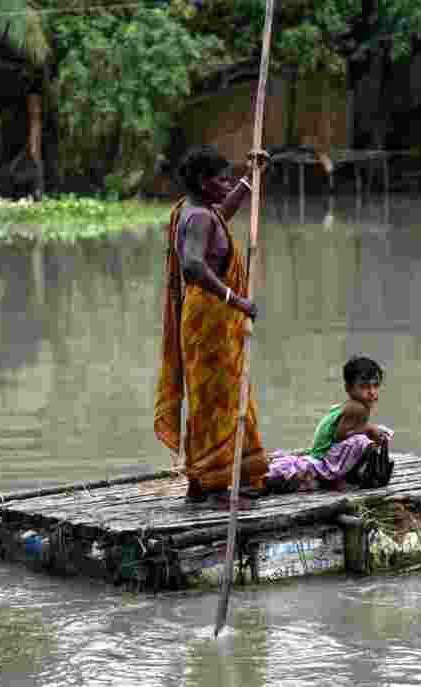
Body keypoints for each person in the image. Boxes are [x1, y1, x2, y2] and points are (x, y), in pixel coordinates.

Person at [154, 145, 269, 505]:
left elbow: (222, 216)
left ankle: (205, 480)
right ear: (204, 183)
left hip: (206, 320)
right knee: (219, 401)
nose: (227, 183)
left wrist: (250, 179)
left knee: (215, 400)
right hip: (210, 324)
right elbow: (192, 265)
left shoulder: (196, 209)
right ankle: (216, 483)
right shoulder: (198, 218)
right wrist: (236, 300)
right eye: (223, 179)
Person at [265, 356, 394, 492]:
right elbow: (341, 435)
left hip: (323, 452)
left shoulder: (353, 405)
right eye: (364, 387)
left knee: (369, 436)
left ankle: (341, 477)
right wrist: (369, 430)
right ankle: (343, 479)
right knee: (363, 441)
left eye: (375, 386)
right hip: (325, 457)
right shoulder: (357, 408)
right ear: (348, 388)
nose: (372, 392)